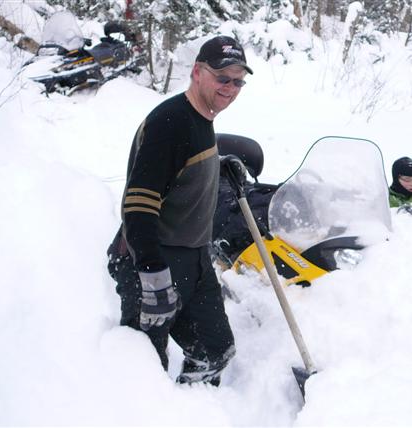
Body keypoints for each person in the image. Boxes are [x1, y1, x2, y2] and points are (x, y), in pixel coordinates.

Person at [106, 35, 253, 386]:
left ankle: (193, 412)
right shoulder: (169, 123)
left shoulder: (200, 117)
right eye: (223, 78)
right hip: (153, 259)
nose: (230, 88)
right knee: (142, 371)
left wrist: (218, 166)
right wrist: (152, 275)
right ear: (198, 72)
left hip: (194, 259)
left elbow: (178, 170)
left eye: (238, 81)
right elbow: (139, 205)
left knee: (215, 350)